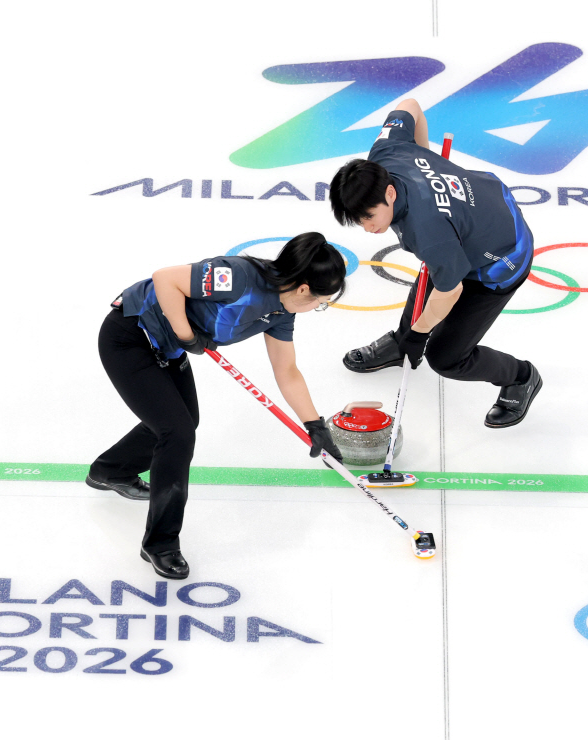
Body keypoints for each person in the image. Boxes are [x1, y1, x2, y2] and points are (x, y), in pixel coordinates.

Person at [87, 233, 346, 579]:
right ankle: (160, 543)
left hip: (167, 350)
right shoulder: (236, 276)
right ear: (303, 289)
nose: (319, 307)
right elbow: (166, 279)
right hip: (130, 335)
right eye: (322, 301)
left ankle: (111, 470)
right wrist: (186, 335)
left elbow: (287, 371)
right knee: (176, 433)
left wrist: (315, 426)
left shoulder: (283, 314)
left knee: (182, 422)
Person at [328, 99, 542, 428]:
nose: (368, 228)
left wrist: (421, 333)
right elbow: (410, 106)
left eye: (370, 217)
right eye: (358, 221)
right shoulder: (385, 154)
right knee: (432, 283)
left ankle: (520, 377)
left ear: (389, 193)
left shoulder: (428, 231)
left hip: (499, 258)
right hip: (473, 214)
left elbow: (449, 289)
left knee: (446, 357)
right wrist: (425, 164)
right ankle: (401, 344)